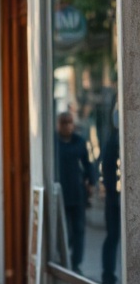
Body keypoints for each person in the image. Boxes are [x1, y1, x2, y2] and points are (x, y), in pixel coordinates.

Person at [54, 111, 97, 274]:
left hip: (77, 193)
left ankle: (76, 263)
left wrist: (91, 182)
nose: (66, 125)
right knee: (66, 231)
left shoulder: (79, 142)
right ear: (58, 124)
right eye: (63, 122)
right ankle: (64, 258)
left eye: (69, 122)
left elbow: (87, 164)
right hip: (60, 193)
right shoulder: (54, 142)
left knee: (78, 229)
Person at [101, 112, 121, 284]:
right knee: (113, 237)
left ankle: (109, 276)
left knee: (113, 238)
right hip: (116, 198)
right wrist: (113, 196)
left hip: (117, 197)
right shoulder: (114, 141)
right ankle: (108, 276)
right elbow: (107, 169)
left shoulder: (115, 139)